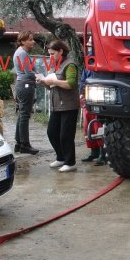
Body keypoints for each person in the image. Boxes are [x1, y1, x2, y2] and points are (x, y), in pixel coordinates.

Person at [38, 39, 80, 173]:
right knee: (52, 132)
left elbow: (71, 84)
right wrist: (44, 82)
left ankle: (70, 162)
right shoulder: (55, 65)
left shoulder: (70, 65)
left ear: (61, 51)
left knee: (65, 135)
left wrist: (54, 80)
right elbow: (53, 87)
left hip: (69, 105)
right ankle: (61, 157)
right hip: (56, 105)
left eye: (53, 53)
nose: (50, 56)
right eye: (49, 54)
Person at [13, 31, 39, 155]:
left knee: (22, 114)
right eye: (30, 39)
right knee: (25, 115)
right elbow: (28, 72)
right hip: (25, 85)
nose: (33, 41)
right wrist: (40, 76)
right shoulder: (22, 53)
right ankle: (25, 144)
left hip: (22, 84)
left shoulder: (21, 52)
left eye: (32, 39)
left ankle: (19, 143)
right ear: (23, 41)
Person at [80, 45, 106, 165]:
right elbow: (83, 78)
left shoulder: (104, 57)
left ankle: (103, 153)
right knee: (87, 126)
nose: (89, 46)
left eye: (91, 44)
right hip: (87, 95)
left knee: (98, 125)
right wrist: (81, 93)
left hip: (99, 95)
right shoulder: (88, 59)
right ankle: (93, 151)